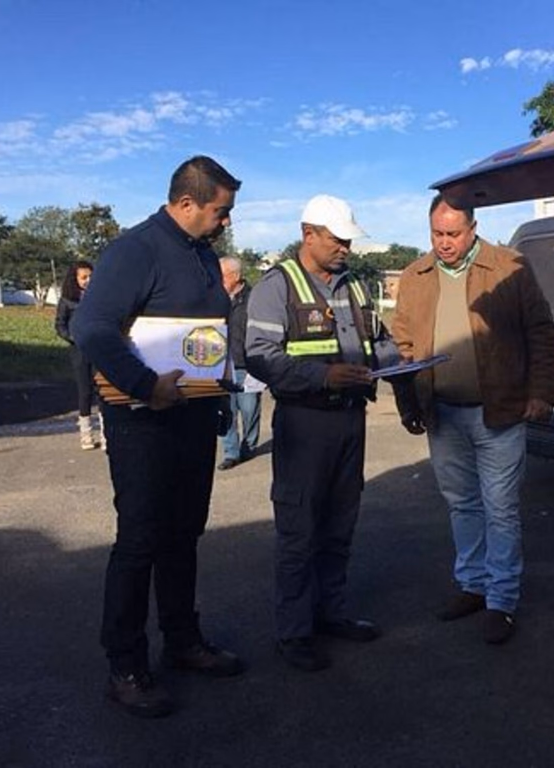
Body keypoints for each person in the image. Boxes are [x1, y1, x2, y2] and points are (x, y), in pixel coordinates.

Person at [72, 155, 244, 718]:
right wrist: (146, 385)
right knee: (141, 540)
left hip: (193, 419)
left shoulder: (200, 253)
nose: (225, 222)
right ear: (187, 202)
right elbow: (92, 327)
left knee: (183, 536)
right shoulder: (135, 250)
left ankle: (183, 641)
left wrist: (215, 401)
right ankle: (124, 665)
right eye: (220, 212)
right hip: (144, 421)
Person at [391, 195, 554, 645]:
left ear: (473, 228)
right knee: (461, 504)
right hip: (443, 413)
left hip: (499, 412)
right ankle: (473, 585)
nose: (444, 244)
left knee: (500, 509)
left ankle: (501, 602)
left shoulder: (509, 267)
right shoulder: (414, 276)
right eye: (436, 234)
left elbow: (542, 333)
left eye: (453, 234)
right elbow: (403, 345)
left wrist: (541, 392)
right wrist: (410, 404)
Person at [245, 194, 401, 672]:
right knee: (299, 529)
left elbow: (378, 343)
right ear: (308, 233)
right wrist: (322, 376)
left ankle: (330, 613)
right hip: (304, 422)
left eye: (350, 240)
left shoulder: (353, 287)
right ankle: (293, 632)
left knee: (339, 523)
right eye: (338, 239)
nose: (346, 248)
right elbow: (260, 355)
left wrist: (404, 364)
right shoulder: (278, 286)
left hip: (350, 420)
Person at [217, 256, 261, 470]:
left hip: (247, 365)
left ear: (235, 276)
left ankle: (249, 445)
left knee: (250, 409)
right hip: (222, 364)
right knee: (227, 410)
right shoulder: (215, 299)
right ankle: (231, 453)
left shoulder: (254, 300)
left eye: (222, 275)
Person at [55, 260, 101, 451]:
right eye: (84, 277)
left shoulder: (100, 297)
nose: (88, 281)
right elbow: (59, 325)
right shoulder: (66, 301)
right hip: (79, 351)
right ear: (75, 279)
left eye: (90, 276)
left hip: (99, 350)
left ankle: (107, 433)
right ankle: (86, 434)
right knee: (85, 392)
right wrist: (73, 337)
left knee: (102, 390)